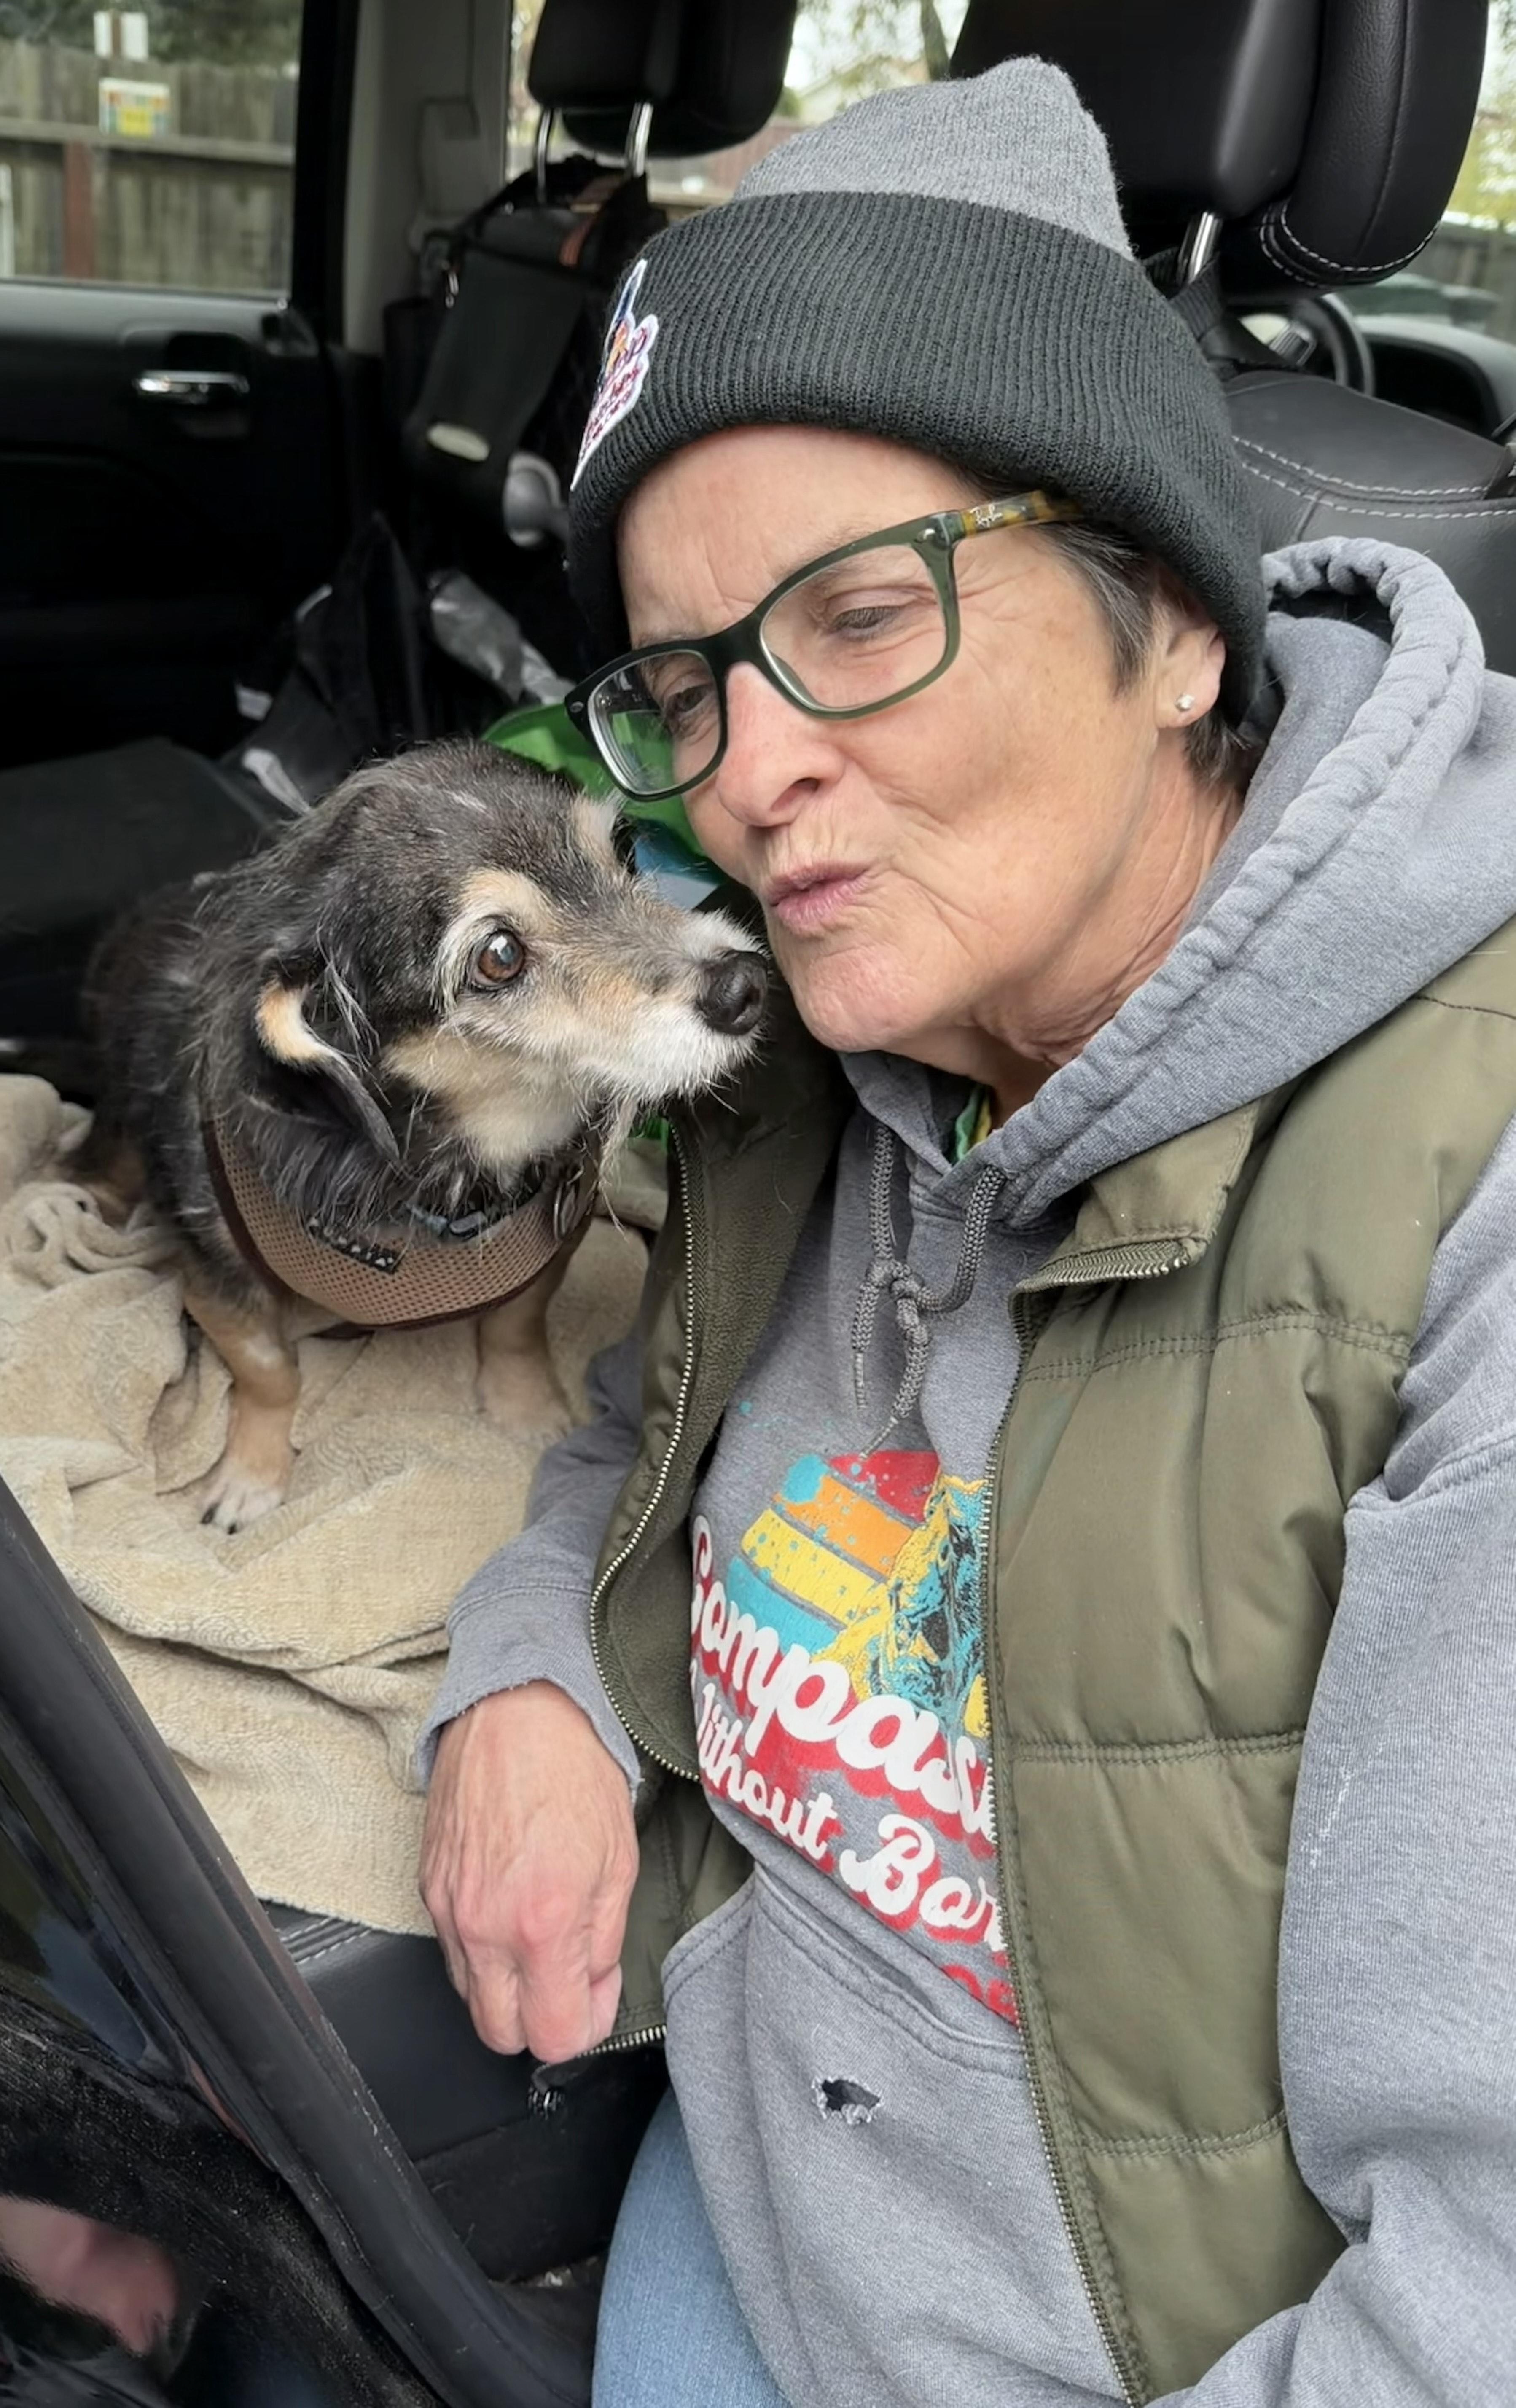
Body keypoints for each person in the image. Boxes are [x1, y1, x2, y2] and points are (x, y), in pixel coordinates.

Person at [418, 60, 1516, 2408]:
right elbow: (645, 1433)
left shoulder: (1473, 1192)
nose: (750, 768)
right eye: (686, 682)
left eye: (862, 615)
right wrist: (529, 1671)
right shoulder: (828, 1044)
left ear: (1182, 623)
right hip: (727, 2189)